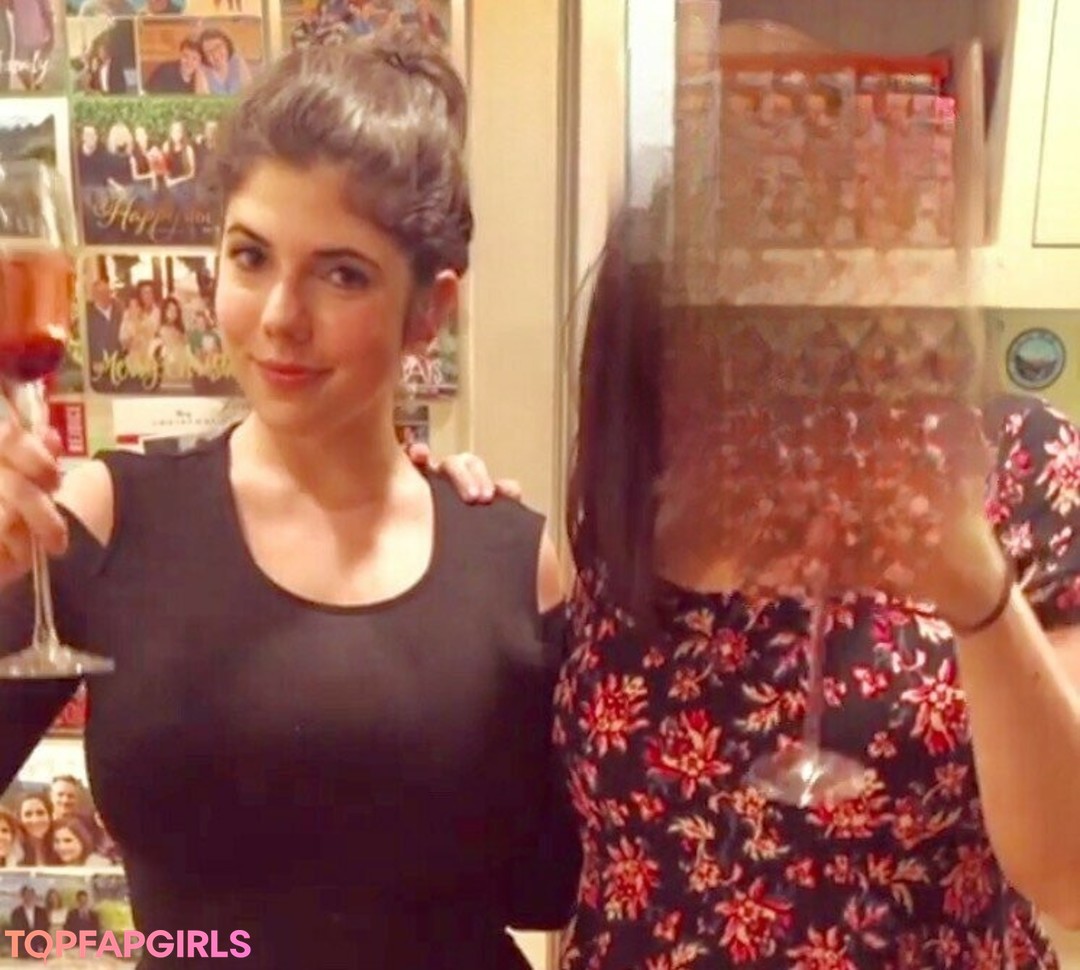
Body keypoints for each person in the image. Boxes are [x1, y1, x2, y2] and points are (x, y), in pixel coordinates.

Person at [0, 30, 578, 969]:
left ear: (429, 311)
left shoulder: (512, 562)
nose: (279, 317)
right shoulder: (107, 520)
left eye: (342, 273)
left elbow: (552, 885)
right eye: (250, 256)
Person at [424, 206, 1080, 968]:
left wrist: (981, 595)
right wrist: (412, 509)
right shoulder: (637, 502)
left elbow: (1071, 879)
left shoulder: (1008, 463)